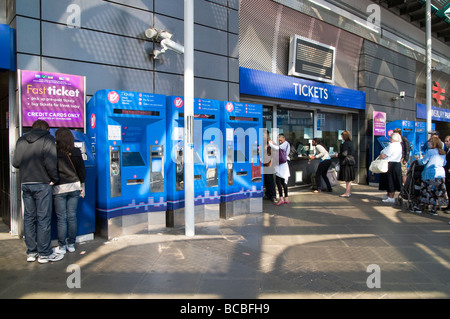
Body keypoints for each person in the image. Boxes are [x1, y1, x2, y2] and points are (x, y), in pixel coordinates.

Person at [12, 120, 63, 263]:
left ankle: (31, 252)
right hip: (42, 183)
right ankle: (44, 253)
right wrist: (54, 178)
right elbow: (51, 162)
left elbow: (15, 162)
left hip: (26, 182)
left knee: (29, 218)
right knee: (43, 218)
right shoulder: (48, 139)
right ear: (46, 128)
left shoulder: (21, 140)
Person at [53, 128, 86, 254]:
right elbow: (82, 171)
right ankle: (71, 244)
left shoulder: (54, 152)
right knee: (72, 217)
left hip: (59, 188)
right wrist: (82, 186)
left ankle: (61, 247)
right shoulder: (76, 151)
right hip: (74, 187)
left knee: (62, 218)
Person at [410, 136, 447, 215]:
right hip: (440, 174)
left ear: (434, 143)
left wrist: (417, 159)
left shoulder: (430, 151)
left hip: (429, 174)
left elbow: (423, 162)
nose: (428, 143)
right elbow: (444, 163)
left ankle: (419, 207)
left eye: (430, 142)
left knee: (426, 191)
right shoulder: (443, 153)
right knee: (436, 192)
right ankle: (434, 209)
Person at [378, 132, 403, 204]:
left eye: (391, 138)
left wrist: (380, 157)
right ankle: (389, 196)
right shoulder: (399, 145)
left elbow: (383, 155)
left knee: (390, 181)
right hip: (396, 164)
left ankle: (390, 197)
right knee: (393, 181)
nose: (390, 139)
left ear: (394, 139)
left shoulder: (392, 146)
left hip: (390, 164)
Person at [269, 133, 291, 205]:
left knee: (279, 182)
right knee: (283, 182)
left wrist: (270, 143)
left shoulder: (285, 144)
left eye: (281, 140)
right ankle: (285, 198)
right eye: (279, 141)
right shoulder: (285, 144)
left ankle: (281, 198)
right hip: (282, 165)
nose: (280, 142)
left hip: (282, 166)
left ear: (284, 138)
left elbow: (277, 148)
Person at [336, 130, 355, 197]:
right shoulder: (351, 143)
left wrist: (338, 155)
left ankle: (347, 192)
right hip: (351, 161)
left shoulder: (345, 144)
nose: (341, 137)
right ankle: (348, 192)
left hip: (346, 162)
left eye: (342, 136)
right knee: (349, 179)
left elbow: (344, 154)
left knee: (347, 178)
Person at [262, 130, 276, 202]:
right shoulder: (263, 143)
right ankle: (268, 194)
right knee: (266, 180)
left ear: (267, 135)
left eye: (264, 134)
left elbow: (275, 154)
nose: (262, 136)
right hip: (264, 164)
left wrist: (271, 163)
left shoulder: (271, 143)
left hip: (269, 164)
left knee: (270, 180)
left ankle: (273, 195)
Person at [443, 135, 450, 213]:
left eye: (447, 141)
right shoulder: (447, 150)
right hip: (447, 173)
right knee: (448, 190)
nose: (446, 143)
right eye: (445, 141)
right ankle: (449, 206)